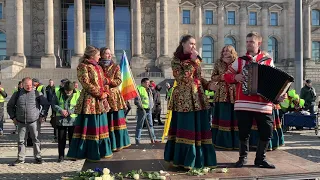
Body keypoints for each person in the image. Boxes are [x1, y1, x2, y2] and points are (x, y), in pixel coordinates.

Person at [224, 32, 286, 169]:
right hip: (243, 103)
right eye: (247, 42)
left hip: (263, 104)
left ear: (259, 43)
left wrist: (279, 96)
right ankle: (242, 158)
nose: (248, 44)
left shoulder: (268, 61)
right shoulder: (240, 61)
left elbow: (276, 82)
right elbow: (226, 76)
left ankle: (260, 159)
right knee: (243, 132)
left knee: (267, 131)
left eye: (251, 42)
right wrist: (236, 77)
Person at [164, 35, 217, 169]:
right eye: (191, 44)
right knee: (186, 128)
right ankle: (183, 159)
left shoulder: (195, 61)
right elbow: (182, 78)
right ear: (183, 43)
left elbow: (198, 78)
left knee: (200, 128)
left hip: (198, 99)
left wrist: (209, 85)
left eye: (194, 44)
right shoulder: (176, 60)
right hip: (184, 100)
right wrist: (193, 63)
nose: (193, 46)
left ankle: (200, 159)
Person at [66, 45, 113, 161]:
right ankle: (89, 152)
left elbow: (103, 82)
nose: (99, 57)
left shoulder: (99, 67)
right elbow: (86, 84)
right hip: (90, 101)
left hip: (100, 101)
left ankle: (101, 151)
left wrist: (106, 92)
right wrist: (100, 94)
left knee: (101, 127)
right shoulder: (83, 66)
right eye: (98, 55)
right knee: (91, 126)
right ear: (92, 55)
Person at [7, 77, 49, 165]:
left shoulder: (37, 93)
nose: (29, 87)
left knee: (36, 139)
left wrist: (43, 115)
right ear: (22, 85)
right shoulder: (17, 94)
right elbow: (9, 106)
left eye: (31, 85)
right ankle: (20, 158)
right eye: (27, 85)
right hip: (21, 121)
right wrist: (13, 117)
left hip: (34, 121)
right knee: (21, 141)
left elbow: (46, 104)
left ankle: (38, 157)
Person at [99, 47, 131, 152]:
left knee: (114, 121)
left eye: (110, 53)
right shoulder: (97, 66)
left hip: (113, 97)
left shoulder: (115, 66)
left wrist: (107, 81)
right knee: (104, 121)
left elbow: (118, 80)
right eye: (107, 53)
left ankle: (117, 144)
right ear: (101, 54)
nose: (109, 55)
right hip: (101, 96)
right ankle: (105, 146)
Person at [211, 45, 239, 150]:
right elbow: (213, 77)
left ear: (232, 52)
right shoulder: (218, 63)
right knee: (223, 117)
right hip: (222, 94)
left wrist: (233, 78)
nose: (225, 52)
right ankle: (222, 142)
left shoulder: (237, 62)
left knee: (235, 118)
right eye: (224, 51)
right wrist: (222, 77)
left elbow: (242, 76)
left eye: (227, 51)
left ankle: (236, 143)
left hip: (235, 94)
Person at [53, 81, 80, 162]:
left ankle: (72, 155)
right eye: (67, 91)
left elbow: (79, 105)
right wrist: (61, 110)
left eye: (70, 91)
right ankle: (61, 156)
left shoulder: (77, 93)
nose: (68, 92)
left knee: (73, 139)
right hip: (61, 119)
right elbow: (54, 104)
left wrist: (70, 111)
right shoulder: (58, 93)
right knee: (61, 139)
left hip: (73, 119)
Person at [134, 78, 158, 144]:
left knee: (151, 125)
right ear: (143, 83)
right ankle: (137, 140)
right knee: (140, 125)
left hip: (149, 109)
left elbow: (151, 98)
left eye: (148, 83)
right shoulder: (139, 89)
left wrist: (152, 106)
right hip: (142, 110)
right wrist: (141, 107)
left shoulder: (149, 89)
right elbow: (136, 101)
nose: (148, 84)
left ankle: (153, 139)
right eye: (147, 83)